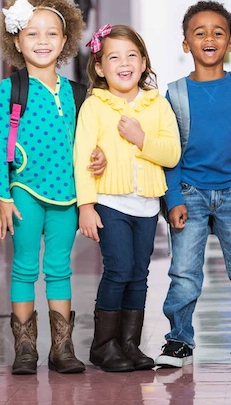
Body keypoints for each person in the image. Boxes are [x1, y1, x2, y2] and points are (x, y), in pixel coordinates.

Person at [0, 0, 103, 375]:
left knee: (59, 268)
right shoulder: (11, 89)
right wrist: (2, 196)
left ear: (66, 40)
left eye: (52, 33)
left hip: (67, 195)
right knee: (24, 267)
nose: (43, 41)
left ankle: (62, 347)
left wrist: (99, 158)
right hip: (24, 190)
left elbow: (87, 143)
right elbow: (2, 149)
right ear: (17, 41)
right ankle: (25, 348)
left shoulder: (77, 93)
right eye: (32, 33)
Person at [156, 0, 231, 367]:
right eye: (199, 32)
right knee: (185, 274)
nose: (209, 38)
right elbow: (170, 151)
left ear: (230, 42)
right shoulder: (174, 94)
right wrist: (173, 197)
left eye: (218, 32)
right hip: (189, 192)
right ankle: (179, 340)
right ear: (186, 43)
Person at [74, 24, 180, 372]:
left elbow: (171, 154)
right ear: (100, 66)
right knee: (118, 270)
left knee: (139, 273)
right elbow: (83, 156)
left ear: (144, 61)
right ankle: (103, 346)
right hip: (110, 202)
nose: (124, 62)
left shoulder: (157, 104)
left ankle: (129, 344)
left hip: (147, 204)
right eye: (114, 56)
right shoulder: (95, 105)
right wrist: (86, 206)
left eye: (132, 55)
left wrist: (139, 138)